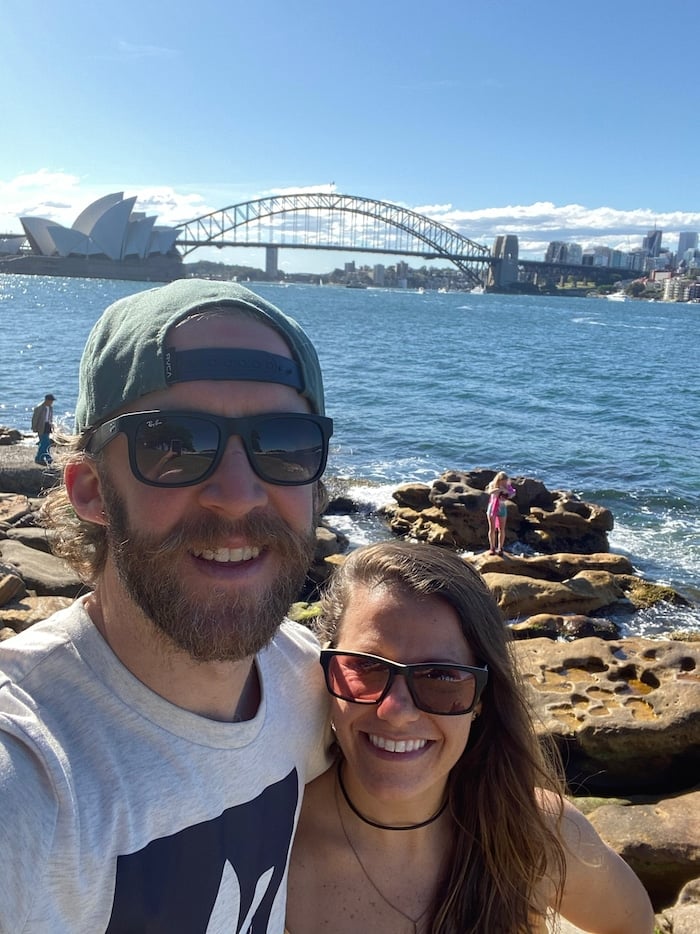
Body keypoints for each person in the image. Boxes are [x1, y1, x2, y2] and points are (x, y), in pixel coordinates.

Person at [0, 279, 334, 932]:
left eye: (283, 443)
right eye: (173, 443)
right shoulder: (30, 780)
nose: (238, 495)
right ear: (92, 489)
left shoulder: (313, 685)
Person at [287, 541, 655, 934]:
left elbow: (630, 923)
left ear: (482, 698)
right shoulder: (272, 840)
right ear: (326, 671)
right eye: (366, 666)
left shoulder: (532, 832)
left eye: (442, 677)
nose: (396, 710)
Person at [486, 469, 515, 555]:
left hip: (502, 507)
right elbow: (489, 492)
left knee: (501, 529)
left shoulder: (507, 486)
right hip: (492, 507)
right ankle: (492, 547)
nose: (504, 483)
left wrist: (506, 491)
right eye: (503, 481)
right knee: (492, 529)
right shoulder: (493, 484)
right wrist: (498, 489)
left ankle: (500, 548)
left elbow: (512, 494)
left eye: (505, 481)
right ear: (499, 480)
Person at [31, 392, 55, 464]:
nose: (52, 402)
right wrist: (34, 427)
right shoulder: (39, 408)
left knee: (45, 443)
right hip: (41, 427)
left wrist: (52, 425)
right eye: (51, 401)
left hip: (47, 426)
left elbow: (50, 418)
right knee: (45, 442)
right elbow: (35, 418)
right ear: (47, 400)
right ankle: (40, 457)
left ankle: (44, 457)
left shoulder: (50, 408)